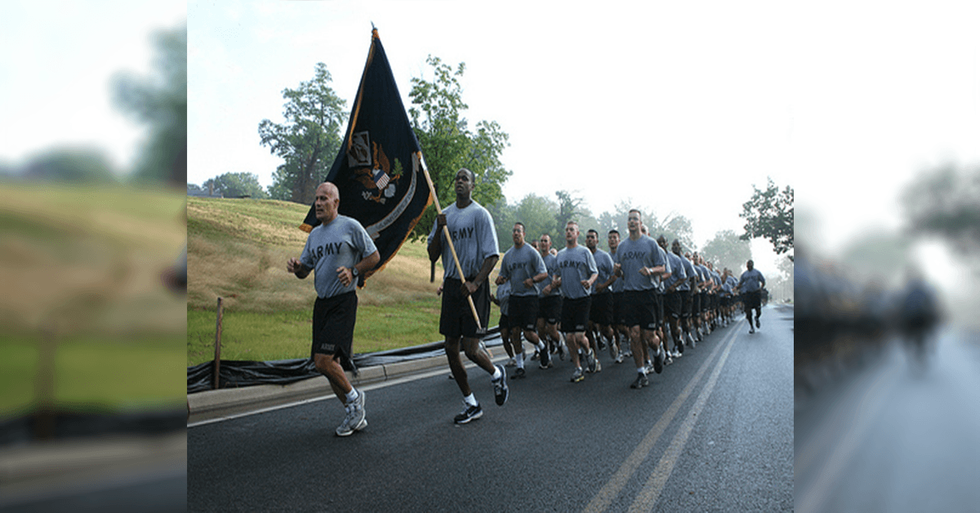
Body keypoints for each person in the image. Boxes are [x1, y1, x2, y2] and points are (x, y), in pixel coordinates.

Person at [287, 182, 380, 437]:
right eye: (316, 199)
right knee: (331, 364)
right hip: (322, 304)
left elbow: (374, 257)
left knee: (322, 361)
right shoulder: (315, 235)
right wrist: (297, 267)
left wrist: (354, 271)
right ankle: (353, 413)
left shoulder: (350, 226)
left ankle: (355, 399)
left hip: (343, 302)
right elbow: (305, 271)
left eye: (324, 199)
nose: (318, 203)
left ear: (336, 203)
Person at [428, 168, 507, 424]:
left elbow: (492, 255)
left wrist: (476, 283)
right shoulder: (445, 214)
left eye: (465, 179)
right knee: (450, 347)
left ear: (472, 186)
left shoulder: (480, 215)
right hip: (452, 286)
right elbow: (432, 254)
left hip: (474, 285)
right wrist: (440, 230)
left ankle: (496, 374)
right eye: (457, 178)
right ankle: (471, 402)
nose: (459, 181)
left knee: (471, 349)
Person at [613, 210, 667, 389]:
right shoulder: (622, 247)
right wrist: (617, 271)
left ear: (640, 222)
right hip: (629, 294)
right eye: (629, 219)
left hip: (647, 294)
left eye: (635, 219)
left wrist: (650, 271)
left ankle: (658, 351)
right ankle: (641, 373)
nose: (632, 222)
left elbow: (662, 267)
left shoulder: (650, 244)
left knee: (649, 337)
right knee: (634, 335)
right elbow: (620, 273)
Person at [496, 222, 549, 378]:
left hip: (530, 297)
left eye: (518, 231)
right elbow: (504, 275)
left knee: (528, 333)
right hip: (515, 297)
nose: (516, 234)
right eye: (514, 231)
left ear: (524, 234)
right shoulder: (508, 255)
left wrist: (533, 280)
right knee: (514, 333)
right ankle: (520, 367)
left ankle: (542, 347)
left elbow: (544, 273)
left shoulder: (532, 252)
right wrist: (500, 279)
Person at [552, 221, 598, 382]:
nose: (568, 232)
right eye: (567, 230)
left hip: (583, 299)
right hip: (567, 300)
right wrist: (555, 280)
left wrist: (590, 282)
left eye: (572, 230)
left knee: (579, 336)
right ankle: (578, 368)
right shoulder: (561, 254)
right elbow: (556, 273)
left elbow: (594, 272)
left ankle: (589, 352)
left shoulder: (584, 252)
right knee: (569, 338)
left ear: (578, 234)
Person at [585, 229, 616, 366]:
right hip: (588, 297)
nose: (590, 239)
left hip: (603, 295)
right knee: (589, 326)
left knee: (605, 328)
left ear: (597, 240)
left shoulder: (604, 256)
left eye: (592, 237)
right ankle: (595, 359)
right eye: (588, 237)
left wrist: (603, 285)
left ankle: (611, 340)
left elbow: (614, 276)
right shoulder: (582, 255)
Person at [535, 233, 563, 366]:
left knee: (552, 330)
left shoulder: (554, 260)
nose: (543, 243)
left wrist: (551, 287)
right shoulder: (536, 260)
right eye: (541, 241)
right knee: (540, 328)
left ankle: (559, 342)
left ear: (550, 243)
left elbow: (561, 278)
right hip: (540, 298)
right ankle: (546, 357)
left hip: (553, 297)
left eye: (545, 241)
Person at [737, 259, 766, 334]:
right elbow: (740, 283)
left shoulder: (757, 272)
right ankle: (751, 327)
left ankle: (757, 318)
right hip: (748, 294)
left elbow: (763, 281)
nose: (748, 266)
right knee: (748, 311)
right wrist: (738, 288)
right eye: (747, 265)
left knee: (758, 310)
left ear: (752, 265)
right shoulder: (744, 274)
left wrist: (761, 288)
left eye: (750, 265)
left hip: (756, 293)